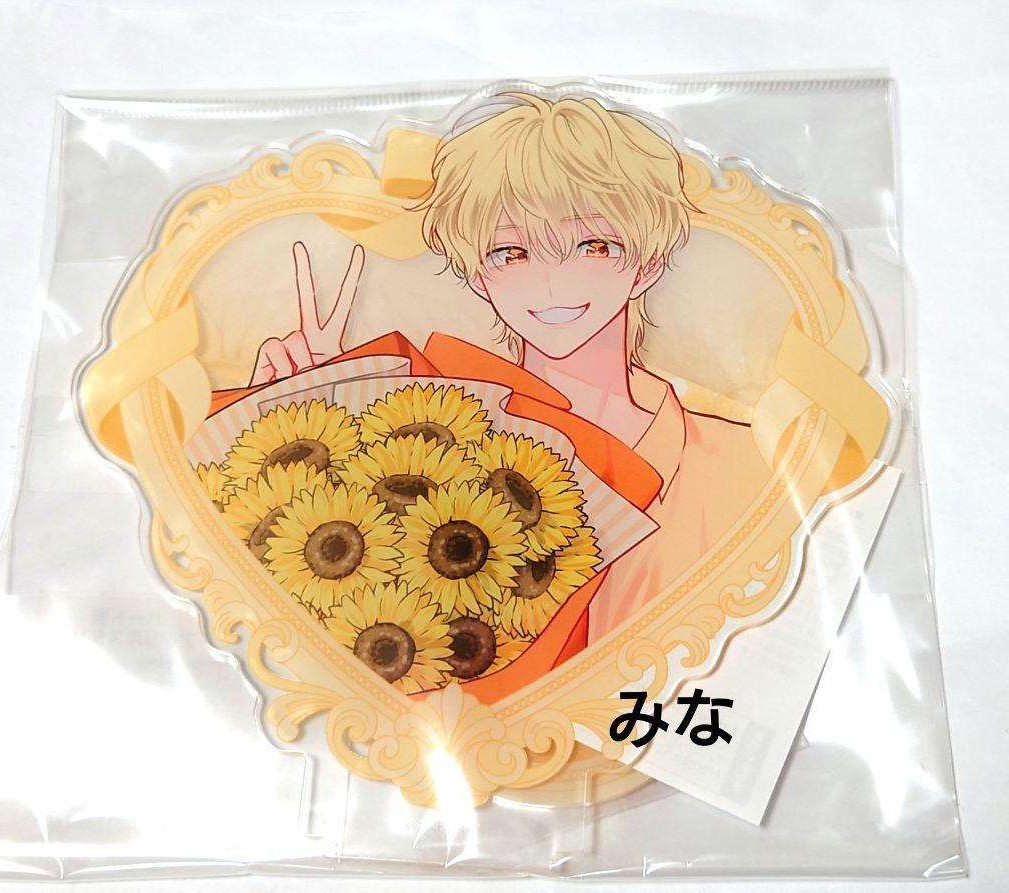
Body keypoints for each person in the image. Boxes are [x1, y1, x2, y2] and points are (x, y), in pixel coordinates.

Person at [248, 92, 772, 637]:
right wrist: (291, 429)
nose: (552, 281)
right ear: (477, 275)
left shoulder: (741, 461)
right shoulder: (425, 442)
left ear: (648, 263)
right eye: (511, 253)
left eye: (593, 245)